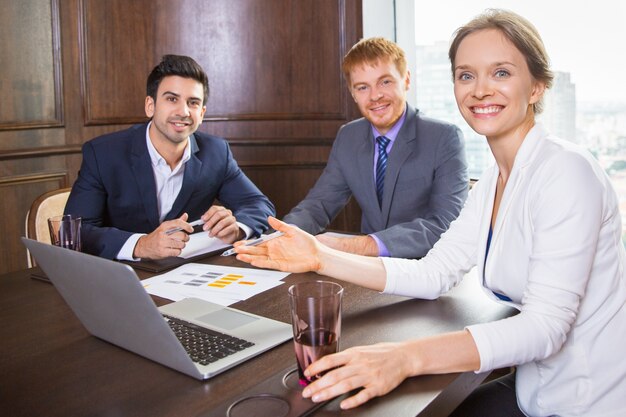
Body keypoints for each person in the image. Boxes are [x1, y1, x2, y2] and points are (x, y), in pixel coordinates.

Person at [235, 9, 626, 416]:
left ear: (537, 87)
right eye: (466, 75)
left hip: (586, 401)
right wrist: (321, 256)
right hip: (535, 389)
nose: (480, 90)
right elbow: (434, 272)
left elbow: (544, 329)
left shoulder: (566, 171)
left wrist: (405, 357)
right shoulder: (495, 180)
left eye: (502, 73)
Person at [65, 54, 275, 260]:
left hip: (185, 275)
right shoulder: (103, 153)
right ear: (150, 105)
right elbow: (76, 231)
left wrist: (237, 228)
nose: (183, 111)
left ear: (201, 114)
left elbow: (259, 205)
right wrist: (141, 245)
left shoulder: (216, 152)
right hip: (119, 279)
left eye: (193, 102)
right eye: (172, 99)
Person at [283, 37, 468, 259]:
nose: (375, 96)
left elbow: (445, 225)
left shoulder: (444, 137)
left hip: (425, 268)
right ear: (353, 93)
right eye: (362, 87)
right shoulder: (348, 136)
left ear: (406, 80)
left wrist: (359, 246)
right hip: (368, 272)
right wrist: (284, 236)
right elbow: (319, 204)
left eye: (385, 82)